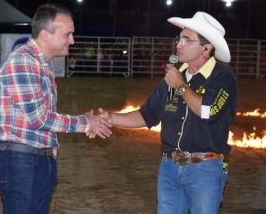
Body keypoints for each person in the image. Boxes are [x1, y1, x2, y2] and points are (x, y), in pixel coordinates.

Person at [97, 12, 238, 214]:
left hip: (205, 170)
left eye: (187, 39)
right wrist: (111, 118)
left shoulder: (222, 77)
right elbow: (148, 115)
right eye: (179, 38)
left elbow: (207, 111)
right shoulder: (174, 77)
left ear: (206, 48)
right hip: (170, 167)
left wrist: (180, 86)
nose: (179, 44)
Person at [0, 3, 112, 214]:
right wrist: (86, 123)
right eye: (68, 34)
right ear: (45, 34)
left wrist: (50, 145)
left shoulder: (41, 66)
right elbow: (39, 119)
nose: (72, 40)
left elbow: (40, 118)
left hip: (35, 159)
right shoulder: (23, 62)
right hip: (23, 162)